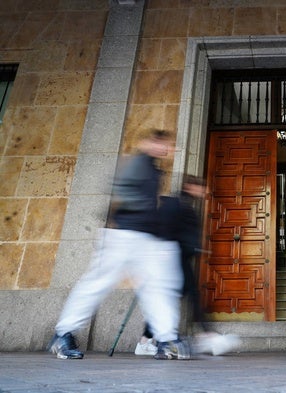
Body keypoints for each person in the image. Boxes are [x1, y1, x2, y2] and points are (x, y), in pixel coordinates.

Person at [47, 129, 189, 360]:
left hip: (144, 238)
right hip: (124, 235)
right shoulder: (137, 163)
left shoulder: (153, 168)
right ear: (152, 142)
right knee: (96, 284)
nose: (169, 149)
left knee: (159, 286)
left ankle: (166, 339)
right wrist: (143, 208)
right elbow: (119, 189)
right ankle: (63, 333)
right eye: (166, 144)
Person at [135, 175, 240, 357]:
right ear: (191, 186)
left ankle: (146, 340)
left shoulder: (184, 204)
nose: (204, 192)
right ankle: (207, 335)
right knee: (188, 296)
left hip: (181, 258)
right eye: (201, 188)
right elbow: (166, 231)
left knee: (180, 297)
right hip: (173, 259)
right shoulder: (174, 204)